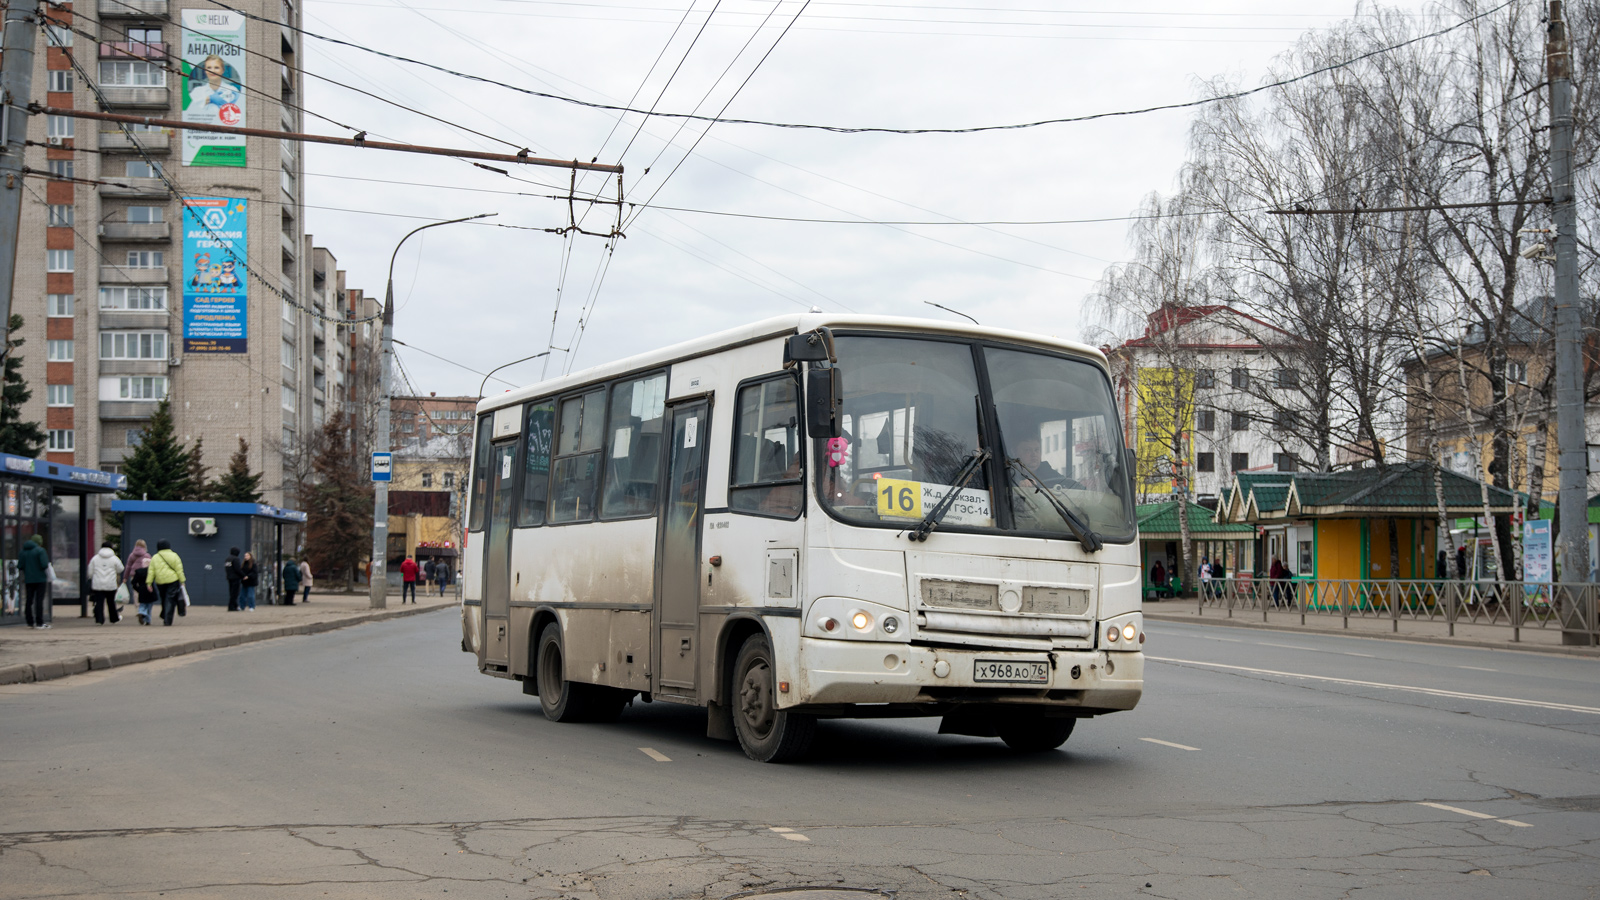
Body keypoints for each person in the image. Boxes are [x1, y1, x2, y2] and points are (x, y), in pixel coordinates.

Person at [148, 539, 186, 626]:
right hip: (172, 580)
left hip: (160, 581)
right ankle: (167, 620)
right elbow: (179, 570)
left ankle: (164, 614)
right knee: (170, 599)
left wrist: (149, 583)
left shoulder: (155, 557)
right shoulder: (174, 556)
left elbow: (151, 571)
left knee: (163, 598)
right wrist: (182, 581)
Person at [87, 541, 125, 625]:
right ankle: (113, 618)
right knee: (111, 602)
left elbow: (90, 572)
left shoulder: (95, 558)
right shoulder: (114, 558)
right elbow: (121, 569)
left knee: (99, 603)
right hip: (110, 584)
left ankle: (99, 620)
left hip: (98, 584)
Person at [20, 534, 51, 629]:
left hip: (28, 579)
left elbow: (20, 566)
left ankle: (29, 621)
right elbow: (44, 564)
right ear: (39, 542)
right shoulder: (40, 551)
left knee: (29, 600)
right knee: (39, 600)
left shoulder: (23, 552)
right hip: (40, 579)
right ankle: (39, 622)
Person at [125, 539, 154, 625]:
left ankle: (139, 608)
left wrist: (125, 577)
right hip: (145, 577)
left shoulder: (131, 555)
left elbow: (128, 567)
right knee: (146, 593)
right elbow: (151, 567)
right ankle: (145, 612)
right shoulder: (147, 555)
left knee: (136, 592)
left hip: (134, 575)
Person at [223, 546, 243, 611]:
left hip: (229, 578)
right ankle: (231, 606)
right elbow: (237, 569)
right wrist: (243, 575)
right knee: (235, 593)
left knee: (231, 592)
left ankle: (235, 605)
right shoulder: (236, 559)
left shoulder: (227, 559)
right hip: (235, 578)